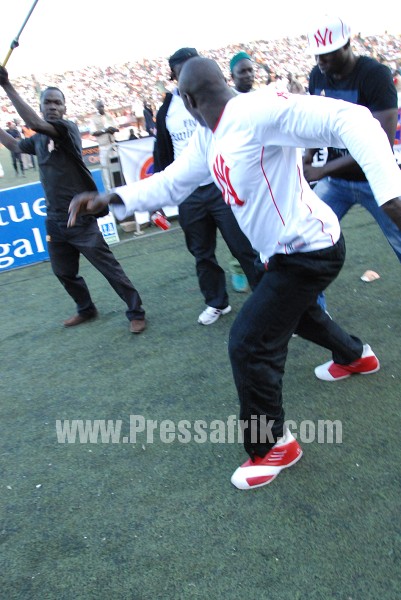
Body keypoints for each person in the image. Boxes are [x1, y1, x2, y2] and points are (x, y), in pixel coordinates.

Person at [68, 57, 401, 491]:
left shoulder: (258, 111)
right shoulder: (209, 135)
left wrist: (390, 193)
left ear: (188, 101)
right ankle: (355, 356)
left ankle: (273, 447)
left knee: (248, 343)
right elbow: (173, 182)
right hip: (283, 253)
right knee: (298, 316)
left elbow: (353, 119)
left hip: (309, 251)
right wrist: (112, 198)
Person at [0, 66, 146, 334]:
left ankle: (136, 312)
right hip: (54, 220)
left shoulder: (66, 129)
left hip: (80, 218)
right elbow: (14, 145)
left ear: (65, 108)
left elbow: (34, 124)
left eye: (57, 103)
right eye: (48, 102)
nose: (53, 107)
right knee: (63, 272)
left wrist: (7, 86)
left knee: (109, 269)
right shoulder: (39, 139)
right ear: (41, 106)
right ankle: (86, 309)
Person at [152, 47, 260, 325]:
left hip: (221, 184)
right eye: (181, 72)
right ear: (174, 76)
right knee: (201, 253)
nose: (189, 74)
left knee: (243, 247)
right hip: (189, 193)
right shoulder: (167, 110)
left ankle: (269, 300)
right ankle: (216, 302)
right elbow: (162, 153)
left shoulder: (220, 97)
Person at [303, 14, 401, 284]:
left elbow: (380, 143)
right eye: (317, 55)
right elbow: (315, 121)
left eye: (327, 54)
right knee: (306, 239)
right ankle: (312, 309)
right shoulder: (317, 76)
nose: (320, 61)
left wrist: (322, 170)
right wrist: (308, 155)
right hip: (336, 180)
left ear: (346, 44)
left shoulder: (374, 74)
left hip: (376, 178)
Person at [228, 51, 257, 293]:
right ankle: (238, 267)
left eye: (250, 70)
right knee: (241, 229)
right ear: (232, 76)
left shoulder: (261, 98)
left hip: (261, 172)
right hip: (237, 174)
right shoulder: (228, 102)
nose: (248, 75)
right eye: (242, 71)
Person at [90, 99, 119, 192]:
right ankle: (109, 190)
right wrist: (104, 130)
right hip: (104, 146)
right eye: (100, 107)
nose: (102, 108)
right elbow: (93, 132)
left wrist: (112, 129)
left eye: (102, 106)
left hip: (113, 145)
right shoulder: (94, 118)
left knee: (116, 166)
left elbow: (117, 128)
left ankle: (118, 186)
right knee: (106, 169)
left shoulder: (109, 116)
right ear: (97, 107)